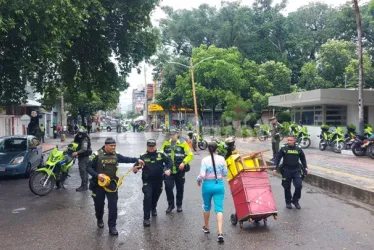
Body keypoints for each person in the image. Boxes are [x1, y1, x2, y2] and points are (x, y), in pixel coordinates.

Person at [87, 137, 144, 235]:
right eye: (111, 146)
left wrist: (137, 159)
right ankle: (99, 219)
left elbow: (125, 159)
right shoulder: (96, 155)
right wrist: (97, 175)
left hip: (112, 185)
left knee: (113, 207)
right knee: (99, 205)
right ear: (105, 146)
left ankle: (112, 226)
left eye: (114, 146)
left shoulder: (115, 155)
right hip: (98, 185)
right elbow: (88, 167)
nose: (113, 148)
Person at [133, 139, 172, 227]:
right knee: (148, 196)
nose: (151, 148)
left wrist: (168, 169)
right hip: (148, 180)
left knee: (156, 194)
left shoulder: (161, 154)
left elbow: (169, 162)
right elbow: (136, 167)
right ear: (147, 146)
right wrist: (135, 169)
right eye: (149, 146)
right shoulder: (143, 156)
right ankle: (146, 218)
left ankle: (153, 207)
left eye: (153, 146)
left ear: (155, 146)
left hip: (158, 180)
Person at [197, 142, 227, 243]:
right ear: (216, 149)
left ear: (207, 149)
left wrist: (198, 179)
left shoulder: (205, 160)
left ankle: (206, 227)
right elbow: (225, 173)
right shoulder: (222, 159)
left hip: (207, 186)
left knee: (206, 206)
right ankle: (220, 233)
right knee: (219, 208)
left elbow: (202, 175)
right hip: (219, 185)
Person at [161, 130, 194, 213]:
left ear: (177, 134)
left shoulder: (183, 143)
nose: (172, 136)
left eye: (174, 134)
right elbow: (161, 155)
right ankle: (170, 205)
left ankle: (179, 205)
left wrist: (184, 162)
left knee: (180, 188)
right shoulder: (166, 143)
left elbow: (190, 155)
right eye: (171, 134)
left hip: (180, 170)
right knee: (168, 188)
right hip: (169, 170)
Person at [273, 136, 308, 209]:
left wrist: (305, 167)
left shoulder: (298, 148)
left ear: (294, 141)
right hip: (286, 170)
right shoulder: (284, 148)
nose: (289, 141)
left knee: (299, 185)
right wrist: (275, 168)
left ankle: (295, 201)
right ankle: (288, 202)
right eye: (288, 140)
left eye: (290, 140)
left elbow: (303, 159)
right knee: (286, 187)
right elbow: (278, 158)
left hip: (296, 170)